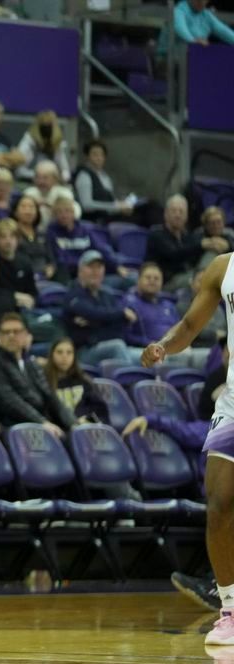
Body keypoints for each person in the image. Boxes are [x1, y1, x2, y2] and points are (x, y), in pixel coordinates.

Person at [142, 252, 234, 644]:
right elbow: (188, 326)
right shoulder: (223, 268)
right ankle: (230, 609)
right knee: (218, 503)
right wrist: (163, 346)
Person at [0, 312, 75, 433]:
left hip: (38, 425)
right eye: (6, 332)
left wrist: (73, 424)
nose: (11, 336)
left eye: (16, 331)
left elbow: (51, 398)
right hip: (11, 429)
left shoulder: (31, 364)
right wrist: (41, 422)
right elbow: (9, 401)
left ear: (25, 335)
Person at [66, 250, 140, 366]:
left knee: (152, 355)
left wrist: (97, 322)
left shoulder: (107, 295)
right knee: (117, 346)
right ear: (80, 270)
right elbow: (92, 313)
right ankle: (127, 383)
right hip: (84, 352)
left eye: (99, 267)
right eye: (91, 267)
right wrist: (118, 315)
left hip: (110, 345)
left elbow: (120, 325)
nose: (95, 272)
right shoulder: (73, 294)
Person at [44, 338, 109, 425]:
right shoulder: (44, 382)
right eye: (59, 352)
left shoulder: (84, 381)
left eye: (69, 352)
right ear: (52, 355)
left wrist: (87, 419)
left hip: (84, 431)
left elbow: (100, 411)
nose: (64, 357)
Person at [16, 110, 71, 183]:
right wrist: (41, 177)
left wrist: (60, 177)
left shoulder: (57, 144)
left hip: (52, 184)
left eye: (49, 125)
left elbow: (65, 171)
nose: (46, 129)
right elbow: (19, 171)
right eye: (44, 125)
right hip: (29, 182)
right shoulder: (29, 141)